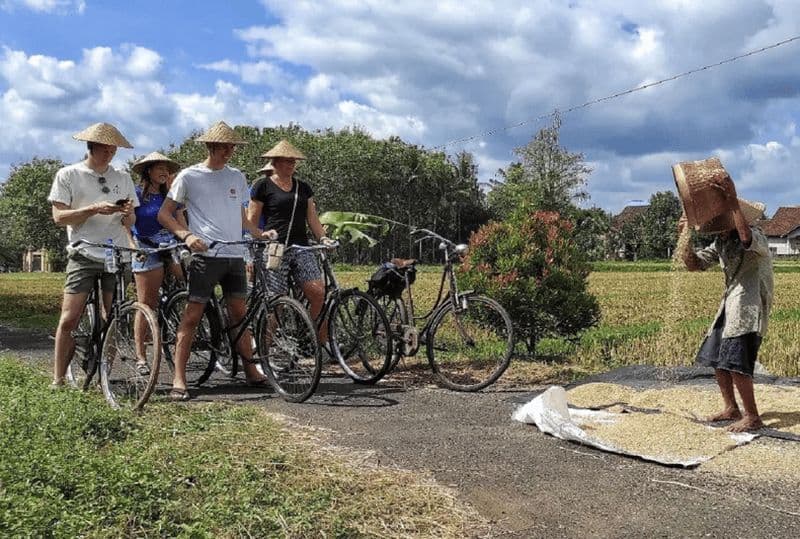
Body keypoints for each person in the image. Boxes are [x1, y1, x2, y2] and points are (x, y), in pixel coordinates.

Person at [157, 121, 274, 400]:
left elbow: (241, 217)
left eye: (232, 147)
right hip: (206, 256)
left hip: (234, 255)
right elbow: (164, 214)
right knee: (192, 315)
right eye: (224, 146)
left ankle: (250, 370)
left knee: (239, 314)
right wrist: (186, 235)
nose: (229, 151)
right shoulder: (189, 176)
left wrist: (259, 233)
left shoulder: (237, 177)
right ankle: (179, 378)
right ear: (211, 146)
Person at [678, 176, 773, 432]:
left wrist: (731, 199)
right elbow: (695, 264)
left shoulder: (756, 235)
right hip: (729, 304)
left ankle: (752, 416)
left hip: (748, 305)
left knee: (736, 361)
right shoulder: (721, 242)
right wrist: (684, 237)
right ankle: (731, 407)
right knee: (718, 359)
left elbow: (745, 237)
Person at [47, 122, 138, 387]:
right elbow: (59, 217)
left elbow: (131, 220)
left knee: (113, 317)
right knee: (69, 318)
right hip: (83, 252)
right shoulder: (68, 174)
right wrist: (93, 209)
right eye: (105, 148)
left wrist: (126, 213)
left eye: (114, 149)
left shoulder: (123, 177)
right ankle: (58, 379)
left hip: (115, 253)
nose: (110, 153)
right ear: (92, 146)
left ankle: (104, 376)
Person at [247, 140, 335, 347]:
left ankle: (316, 342)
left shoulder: (303, 188)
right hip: (274, 249)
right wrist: (258, 240)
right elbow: (251, 220)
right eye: (286, 161)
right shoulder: (262, 186)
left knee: (318, 293)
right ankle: (264, 349)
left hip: (301, 247)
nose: (290, 165)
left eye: (293, 161)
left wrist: (323, 238)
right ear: (275, 162)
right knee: (277, 300)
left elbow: (312, 218)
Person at [130, 152, 186, 370]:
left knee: (184, 288)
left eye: (167, 169)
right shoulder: (136, 194)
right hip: (146, 248)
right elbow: (127, 223)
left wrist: (189, 240)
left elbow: (180, 220)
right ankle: (141, 356)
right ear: (149, 171)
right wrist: (133, 247)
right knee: (146, 303)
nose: (165, 172)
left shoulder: (171, 196)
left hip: (170, 246)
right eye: (160, 168)